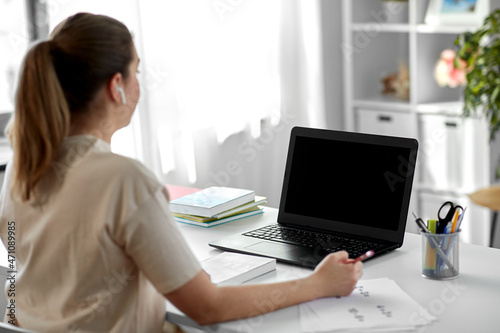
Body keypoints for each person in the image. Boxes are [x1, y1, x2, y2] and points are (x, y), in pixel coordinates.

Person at [0, 13, 363, 333]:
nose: (139, 84)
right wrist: (319, 283)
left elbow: (17, 279)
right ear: (116, 87)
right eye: (136, 71)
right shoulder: (123, 180)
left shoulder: (19, 168)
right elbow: (207, 308)